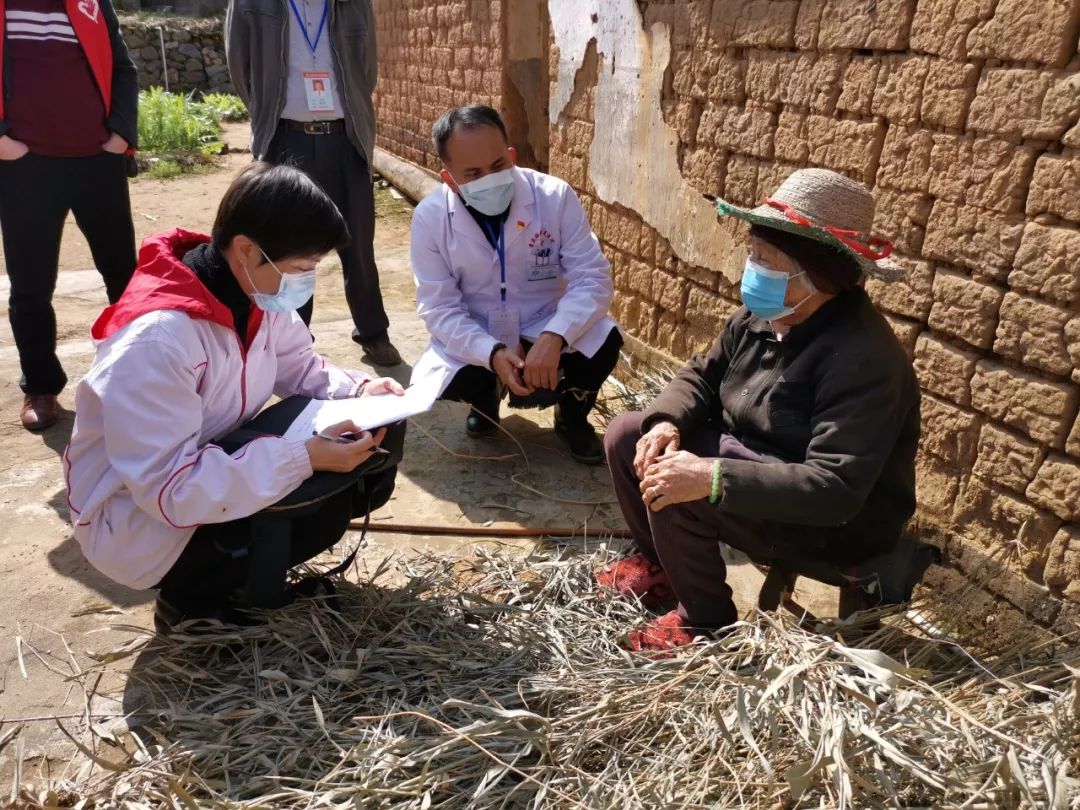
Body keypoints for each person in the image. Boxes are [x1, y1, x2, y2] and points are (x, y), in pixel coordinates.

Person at [64, 163, 405, 630]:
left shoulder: (253, 295)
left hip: (203, 462)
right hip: (137, 518)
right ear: (246, 249)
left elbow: (299, 366)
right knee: (313, 508)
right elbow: (171, 491)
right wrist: (303, 458)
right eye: (301, 269)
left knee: (365, 459)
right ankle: (189, 602)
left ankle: (242, 578)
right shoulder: (158, 341)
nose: (305, 282)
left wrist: (361, 390)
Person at [602, 169, 921, 652]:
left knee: (678, 485)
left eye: (767, 261)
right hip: (753, 461)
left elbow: (833, 488)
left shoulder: (863, 360)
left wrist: (711, 478)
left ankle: (705, 623)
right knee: (628, 435)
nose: (752, 269)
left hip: (826, 523)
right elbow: (702, 374)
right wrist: (666, 421)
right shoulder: (763, 317)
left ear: (818, 275)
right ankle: (661, 565)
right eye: (752, 253)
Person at [410, 105, 622, 465]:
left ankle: (572, 417)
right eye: (473, 174)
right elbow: (439, 308)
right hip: (479, 327)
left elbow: (593, 277)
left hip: (545, 320)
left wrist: (556, 336)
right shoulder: (430, 219)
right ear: (449, 178)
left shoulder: (554, 196)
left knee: (604, 342)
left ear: (511, 155)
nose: (489, 179)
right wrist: (491, 352)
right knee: (452, 377)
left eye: (498, 165)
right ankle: (485, 401)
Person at [224, 0, 402, 367]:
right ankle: (294, 339)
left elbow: (366, 69)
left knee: (358, 242)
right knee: (288, 245)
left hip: (345, 138)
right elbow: (241, 68)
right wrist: (269, 114)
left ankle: (373, 332)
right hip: (287, 137)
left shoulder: (353, 4)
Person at [0, 0, 138, 431]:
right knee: (30, 285)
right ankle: (41, 387)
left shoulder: (90, 3)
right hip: (25, 167)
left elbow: (123, 69)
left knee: (124, 276)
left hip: (97, 160)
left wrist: (120, 134)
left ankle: (138, 374)